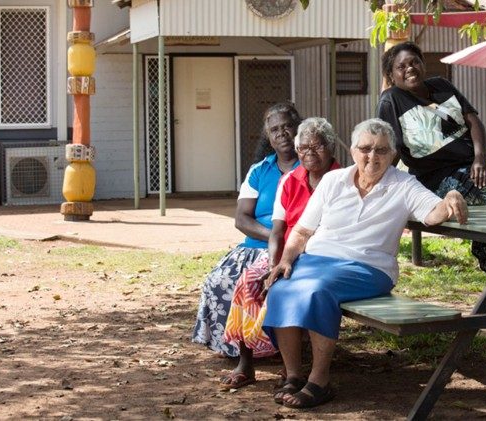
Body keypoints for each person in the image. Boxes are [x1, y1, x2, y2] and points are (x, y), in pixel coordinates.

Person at [261, 118, 468, 409]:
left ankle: (319, 381)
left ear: (393, 154)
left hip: (368, 268)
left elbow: (433, 213)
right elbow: (302, 231)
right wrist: (285, 260)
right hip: (317, 261)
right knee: (281, 287)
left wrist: (451, 196)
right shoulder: (334, 180)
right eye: (366, 149)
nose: (373, 156)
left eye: (382, 150)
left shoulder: (404, 184)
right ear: (353, 151)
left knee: (317, 291)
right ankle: (294, 375)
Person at [376, 41, 486, 345]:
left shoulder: (442, 85)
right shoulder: (391, 100)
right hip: (437, 179)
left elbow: (472, 120)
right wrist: (379, 185)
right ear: (392, 75)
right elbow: (389, 146)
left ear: (422, 63)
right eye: (401, 66)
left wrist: (481, 156)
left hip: (474, 167)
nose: (409, 69)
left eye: (414, 62)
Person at [219, 117, 342, 389]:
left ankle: (292, 370)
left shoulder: (343, 179)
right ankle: (246, 362)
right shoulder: (289, 181)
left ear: (331, 147)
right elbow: (277, 231)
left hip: (323, 257)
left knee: (295, 290)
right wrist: (274, 266)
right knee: (250, 282)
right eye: (304, 148)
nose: (310, 153)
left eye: (318, 146)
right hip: (288, 253)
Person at [192, 102, 301, 357]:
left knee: (260, 283)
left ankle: (273, 350)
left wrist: (286, 241)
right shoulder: (259, 170)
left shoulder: (311, 167)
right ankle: (235, 349)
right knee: (219, 281)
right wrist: (274, 236)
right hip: (254, 246)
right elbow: (241, 219)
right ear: (269, 138)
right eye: (275, 130)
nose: (282, 133)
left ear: (298, 129)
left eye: (287, 126)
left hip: (293, 249)